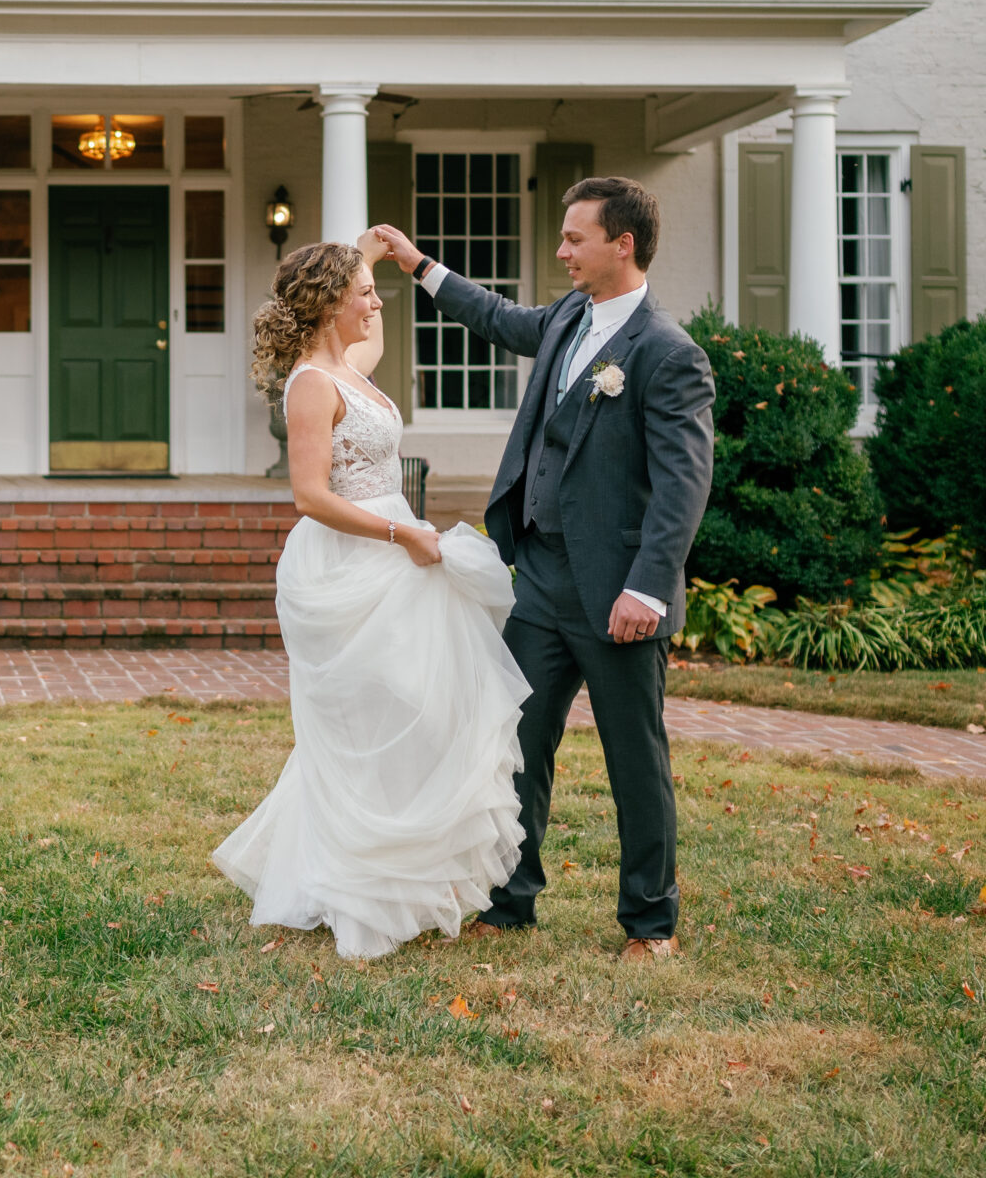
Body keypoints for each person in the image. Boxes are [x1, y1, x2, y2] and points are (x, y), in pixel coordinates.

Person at [368, 176, 715, 960]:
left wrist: (648, 588)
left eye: (574, 239)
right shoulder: (567, 316)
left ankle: (649, 921)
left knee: (636, 759)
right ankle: (511, 897)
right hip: (543, 580)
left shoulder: (667, 353)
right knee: (518, 744)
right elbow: (499, 318)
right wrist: (423, 266)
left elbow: (683, 484)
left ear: (621, 245)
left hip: (619, 594)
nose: (560, 251)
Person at [211, 236, 527, 960]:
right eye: (363, 291)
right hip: (351, 568)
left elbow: (377, 329)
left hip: (396, 554)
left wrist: (373, 253)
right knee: (372, 727)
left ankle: (406, 875)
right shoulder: (311, 385)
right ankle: (360, 884)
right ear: (329, 303)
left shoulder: (347, 368)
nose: (376, 303)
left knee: (421, 714)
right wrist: (399, 532)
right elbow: (310, 495)